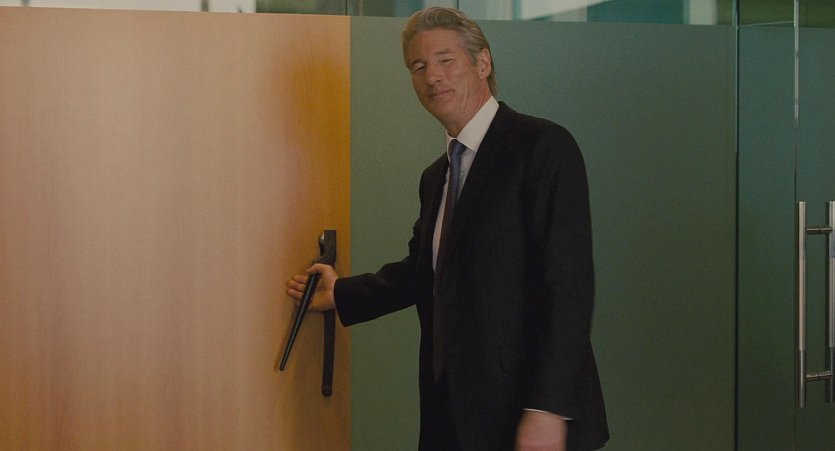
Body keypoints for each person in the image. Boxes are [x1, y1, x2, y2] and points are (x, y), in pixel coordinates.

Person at [287, 7, 608, 451]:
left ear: (483, 62)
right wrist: (341, 294)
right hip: (451, 411)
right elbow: (425, 271)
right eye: (418, 66)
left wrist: (548, 409)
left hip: (526, 413)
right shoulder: (437, 174)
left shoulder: (541, 146)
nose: (432, 76)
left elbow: (568, 286)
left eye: (445, 60)